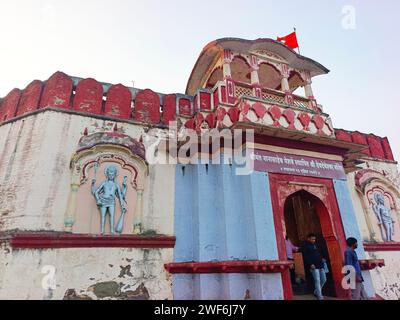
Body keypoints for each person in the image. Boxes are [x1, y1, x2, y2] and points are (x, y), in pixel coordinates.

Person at [301, 233, 327, 300]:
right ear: (308, 238)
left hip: (320, 264)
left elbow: (321, 253)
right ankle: (319, 295)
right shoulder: (305, 246)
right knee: (317, 280)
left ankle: (316, 291)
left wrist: (323, 258)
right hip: (313, 265)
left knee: (324, 279)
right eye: (312, 239)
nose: (313, 240)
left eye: (314, 239)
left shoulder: (317, 245)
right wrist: (310, 264)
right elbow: (306, 256)